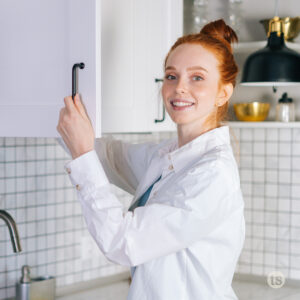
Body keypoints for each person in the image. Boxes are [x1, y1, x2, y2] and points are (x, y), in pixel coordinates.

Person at [56, 18, 245, 300]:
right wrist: (54, 107)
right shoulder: (169, 156)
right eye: (171, 76)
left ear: (223, 93)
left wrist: (83, 155)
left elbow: (123, 243)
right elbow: (110, 156)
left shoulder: (212, 175)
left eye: (197, 77)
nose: (179, 87)